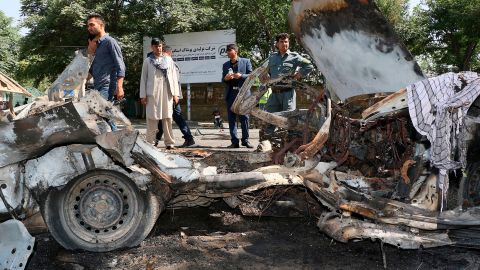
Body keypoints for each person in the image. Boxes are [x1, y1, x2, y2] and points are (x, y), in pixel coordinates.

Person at [259, 33, 314, 148]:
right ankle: (266, 146)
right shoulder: (272, 57)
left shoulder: (294, 56)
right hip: (274, 94)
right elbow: (261, 69)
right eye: (282, 42)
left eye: (286, 42)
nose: (284, 44)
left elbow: (309, 66)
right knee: (269, 118)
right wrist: (264, 76)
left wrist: (299, 74)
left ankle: (290, 147)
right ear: (277, 44)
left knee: (290, 121)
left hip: (288, 94)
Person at [87, 13, 126, 131]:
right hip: (97, 85)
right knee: (105, 116)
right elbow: (93, 69)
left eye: (92, 25)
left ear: (101, 25)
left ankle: (115, 141)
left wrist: (120, 86)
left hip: (107, 85)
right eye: (88, 26)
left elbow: (120, 65)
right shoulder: (96, 45)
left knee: (101, 114)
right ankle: (114, 141)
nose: (89, 28)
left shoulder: (110, 42)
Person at [140, 38, 180, 150]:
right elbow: (143, 78)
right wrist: (143, 95)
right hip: (152, 93)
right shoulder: (147, 61)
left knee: (167, 117)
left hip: (167, 92)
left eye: (160, 46)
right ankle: (150, 143)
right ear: (152, 47)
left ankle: (169, 143)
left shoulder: (168, 60)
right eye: (156, 46)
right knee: (152, 118)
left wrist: (175, 94)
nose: (159, 48)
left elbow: (173, 77)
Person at [155, 46, 195, 148]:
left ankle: (189, 138)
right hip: (165, 96)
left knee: (176, 117)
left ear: (167, 53)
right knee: (163, 118)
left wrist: (175, 95)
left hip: (172, 96)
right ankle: (156, 139)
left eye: (163, 53)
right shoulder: (163, 65)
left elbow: (174, 82)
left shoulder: (172, 65)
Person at [222, 43, 253, 148]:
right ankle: (234, 142)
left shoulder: (246, 61)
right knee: (231, 118)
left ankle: (245, 140)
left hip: (243, 94)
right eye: (227, 51)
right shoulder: (225, 65)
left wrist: (241, 76)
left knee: (244, 118)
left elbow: (252, 76)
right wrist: (225, 79)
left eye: (230, 50)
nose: (228, 52)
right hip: (231, 94)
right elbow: (223, 80)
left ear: (235, 51)